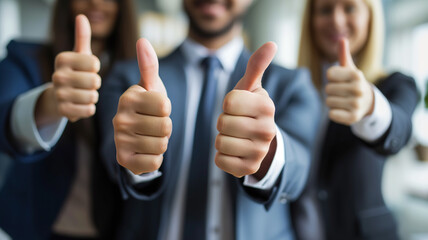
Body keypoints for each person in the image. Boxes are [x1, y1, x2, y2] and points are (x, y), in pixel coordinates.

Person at [98, 0, 320, 239]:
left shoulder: (292, 84)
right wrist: (137, 158)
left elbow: (300, 169)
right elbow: (112, 159)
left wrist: (269, 155)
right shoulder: (129, 78)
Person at [0, 0, 137, 239]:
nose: (95, 2)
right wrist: (49, 103)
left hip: (111, 229)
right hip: (37, 227)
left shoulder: (137, 76)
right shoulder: (25, 58)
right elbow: (4, 116)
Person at [295, 0, 419, 239]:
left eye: (349, 8)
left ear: (371, 18)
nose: (337, 20)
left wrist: (370, 106)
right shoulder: (291, 89)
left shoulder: (397, 85)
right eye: (325, 9)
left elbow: (400, 128)